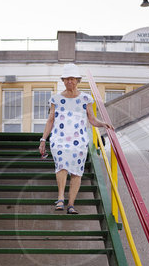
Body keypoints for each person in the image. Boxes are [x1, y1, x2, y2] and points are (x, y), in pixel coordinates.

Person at [39, 64, 113, 214]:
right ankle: (60, 198)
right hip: (59, 138)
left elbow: (91, 119)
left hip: (79, 140)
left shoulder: (86, 98)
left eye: (72, 79)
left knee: (76, 172)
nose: (69, 82)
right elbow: (50, 120)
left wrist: (103, 124)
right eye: (66, 79)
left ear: (78, 80)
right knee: (62, 165)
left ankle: (71, 204)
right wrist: (43, 139)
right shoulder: (56, 99)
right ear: (63, 81)